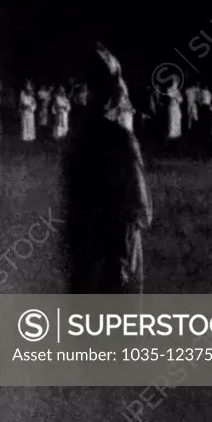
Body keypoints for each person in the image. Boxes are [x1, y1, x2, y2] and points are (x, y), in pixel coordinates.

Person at [62, 43, 152, 296]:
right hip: (113, 255)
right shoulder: (120, 140)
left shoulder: (76, 138)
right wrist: (122, 260)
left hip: (82, 251)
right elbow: (137, 208)